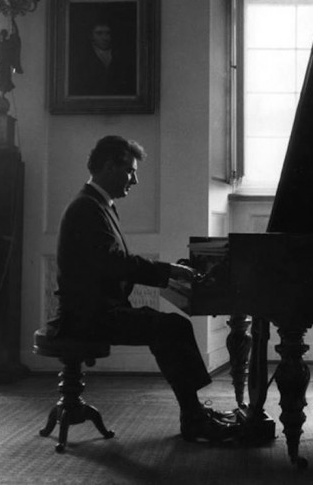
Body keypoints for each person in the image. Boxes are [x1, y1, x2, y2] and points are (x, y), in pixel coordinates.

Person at [46, 135, 237, 442]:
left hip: (94, 310)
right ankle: (193, 416)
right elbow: (115, 263)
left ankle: (194, 413)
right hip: (86, 317)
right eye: (130, 171)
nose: (134, 180)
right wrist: (170, 271)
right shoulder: (87, 208)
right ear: (110, 166)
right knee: (172, 328)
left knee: (169, 328)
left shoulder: (96, 204)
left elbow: (114, 263)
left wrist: (168, 274)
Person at [68, 20, 136, 96]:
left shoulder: (122, 56)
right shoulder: (82, 57)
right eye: (99, 33)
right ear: (91, 36)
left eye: (108, 33)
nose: (105, 38)